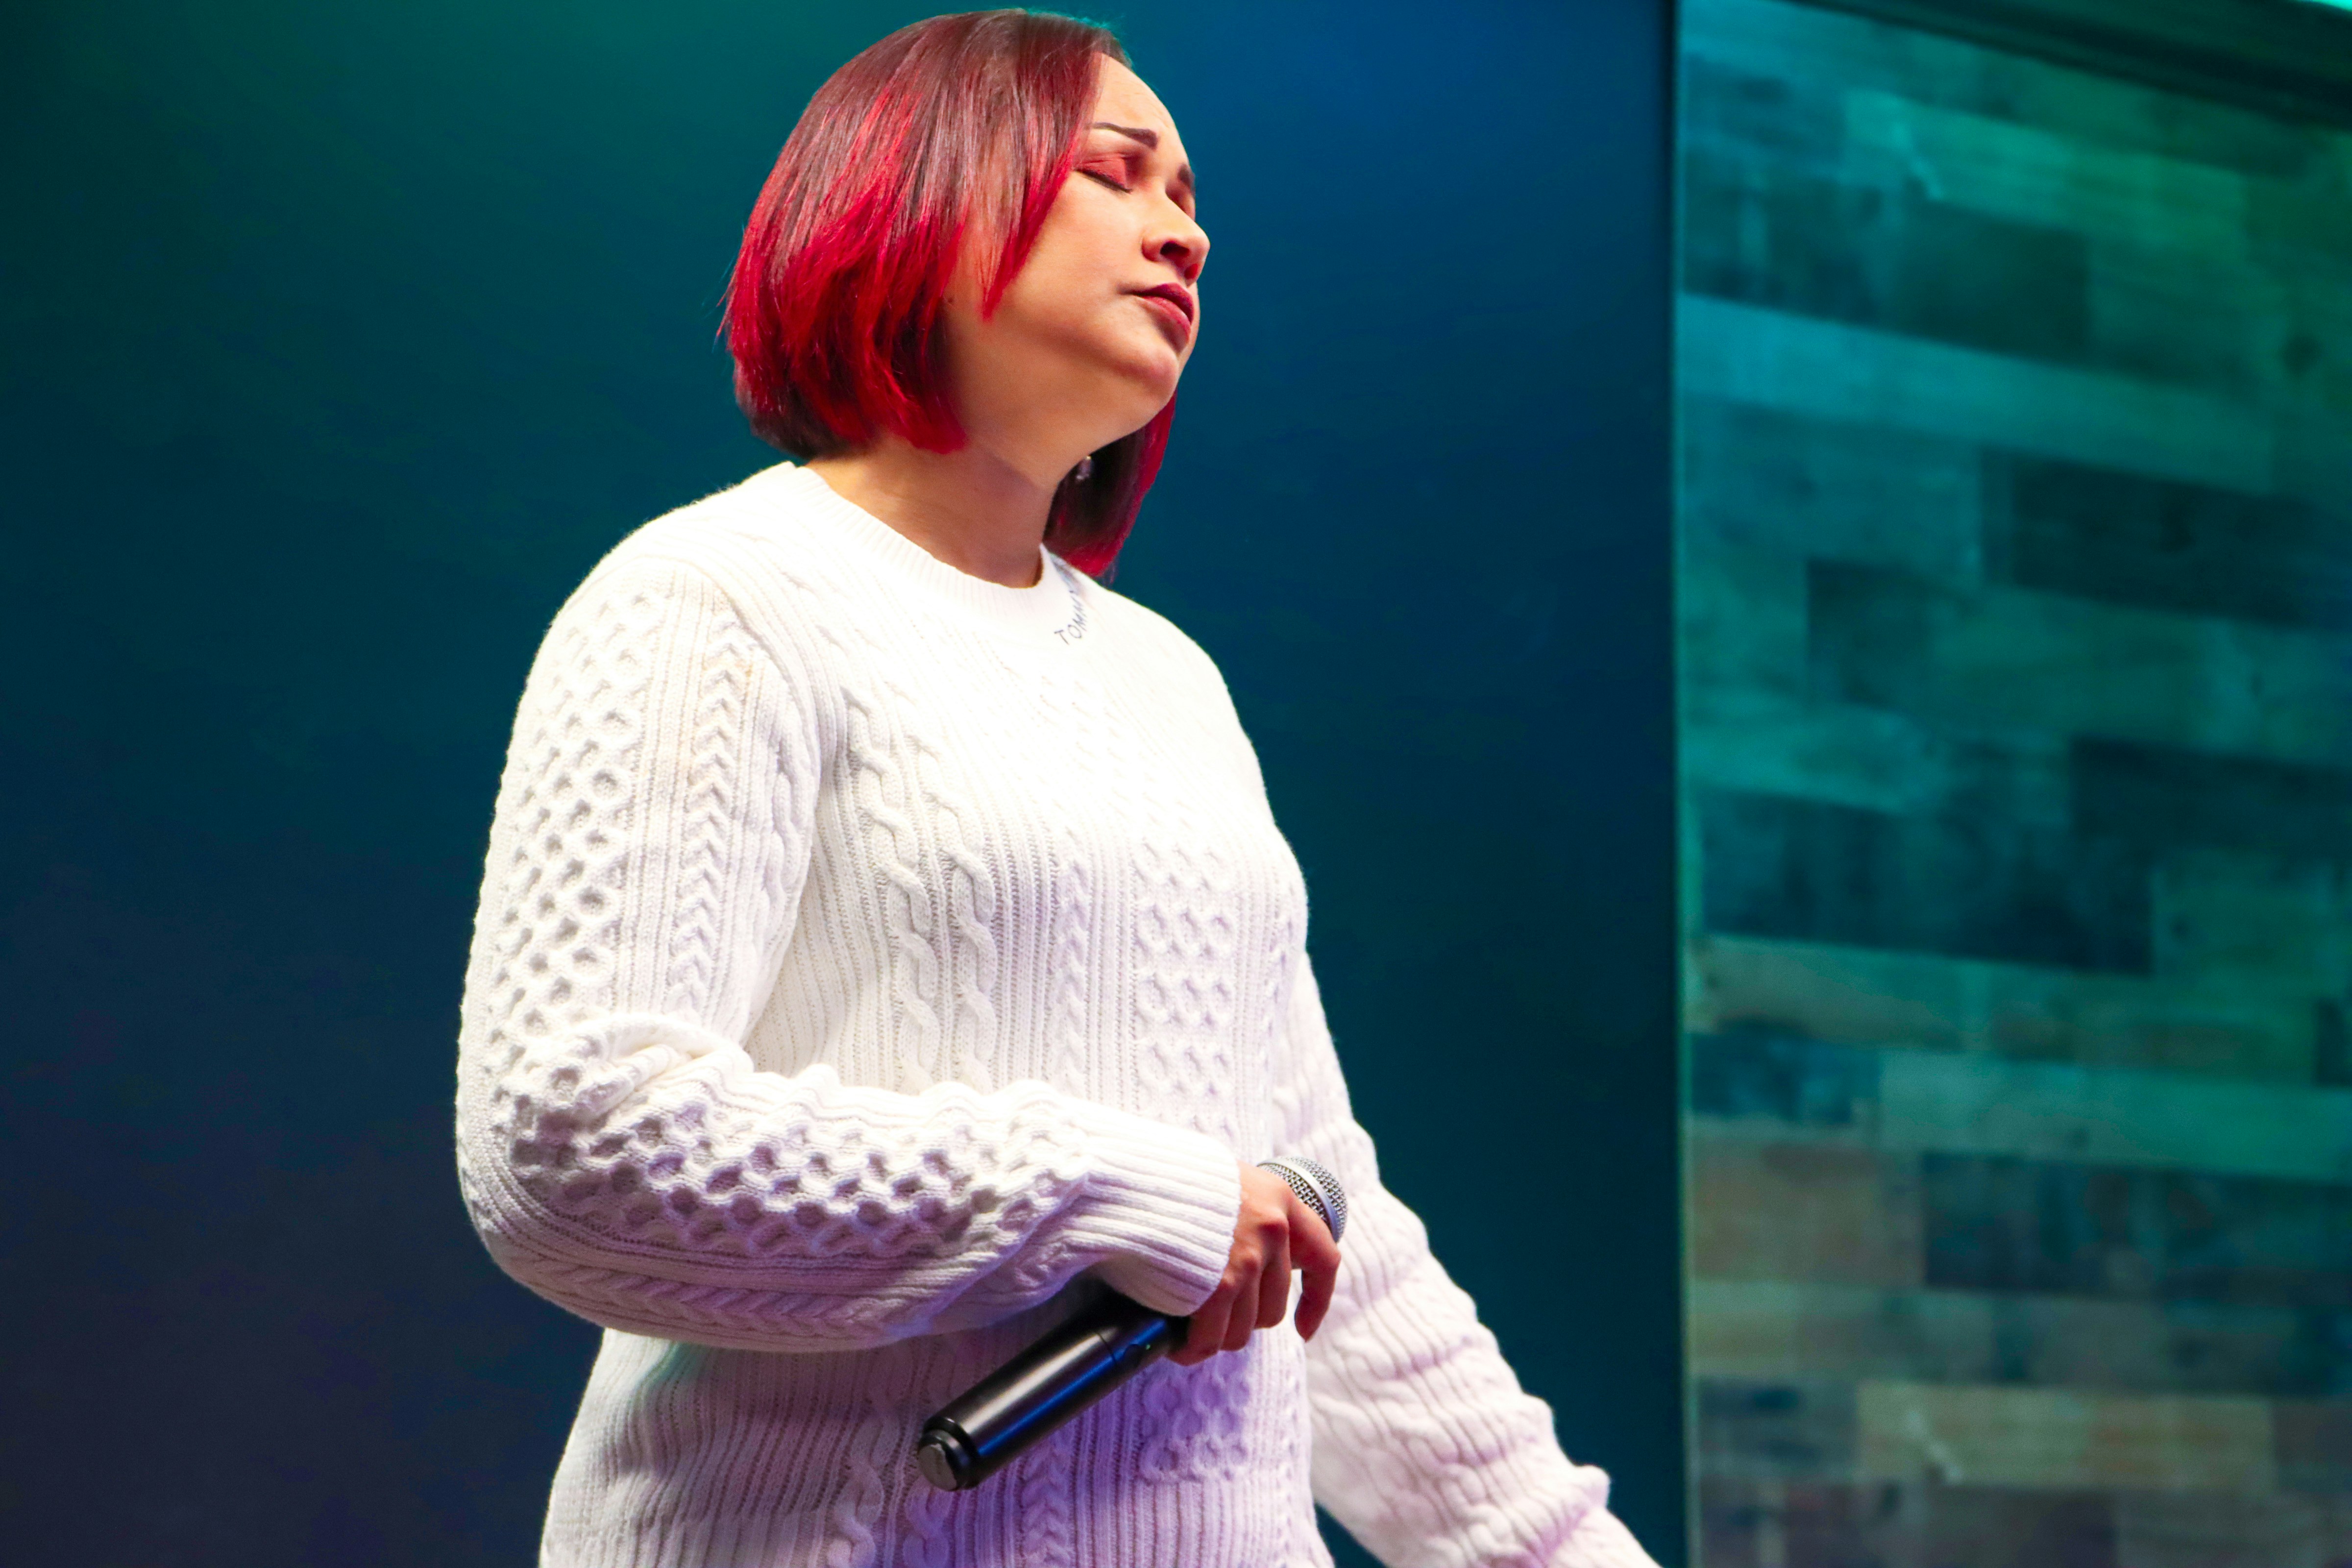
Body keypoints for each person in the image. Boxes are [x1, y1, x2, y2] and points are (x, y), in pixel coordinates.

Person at [454, 10, 1659, 1567]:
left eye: (1195, 199)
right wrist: (1111, 1196)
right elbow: (571, 1144)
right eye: (1118, 172)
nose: (1188, 234)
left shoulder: (1173, 682)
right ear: (921, 194)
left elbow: (1316, 1230)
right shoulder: (715, 599)